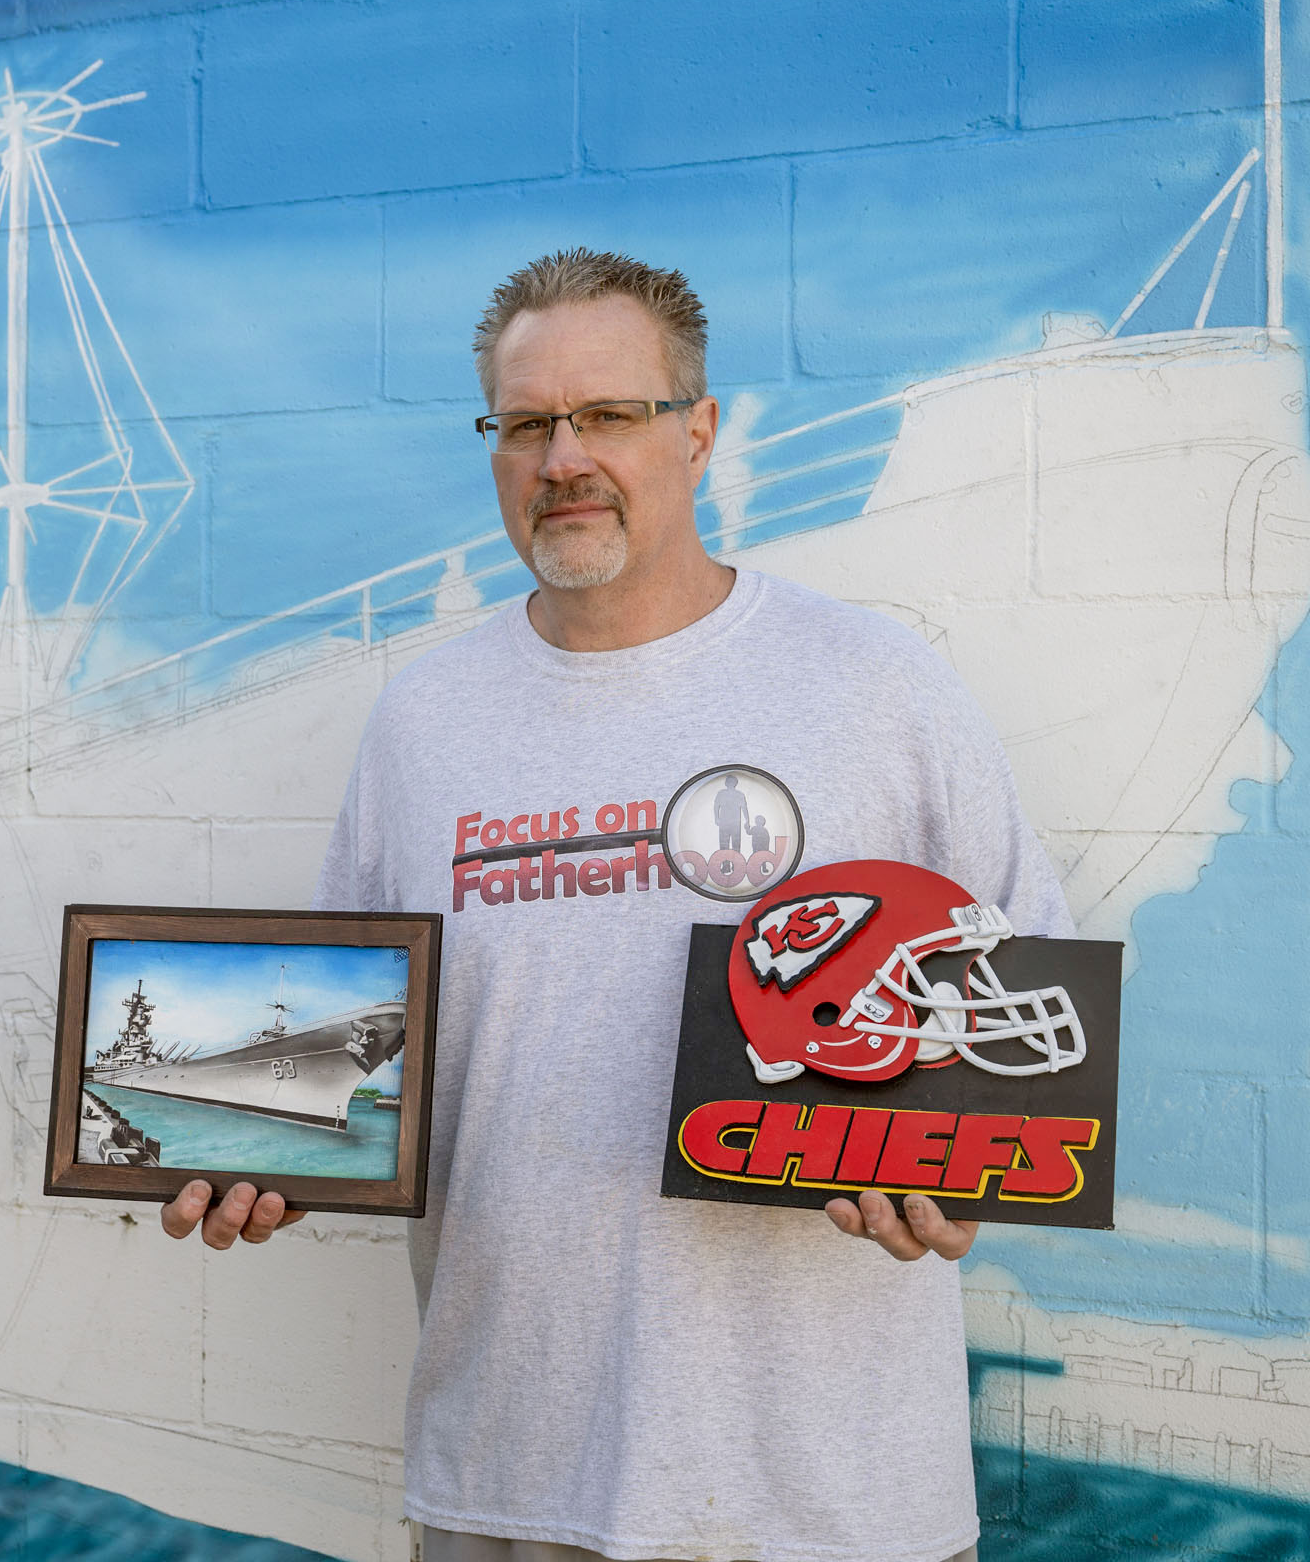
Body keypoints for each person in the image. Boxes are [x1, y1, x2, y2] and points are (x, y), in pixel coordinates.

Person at [160, 248, 1070, 1562]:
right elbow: (357, 1046)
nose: (562, 457)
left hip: (830, 1502)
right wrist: (274, 1165)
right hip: (510, 1483)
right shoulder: (424, 720)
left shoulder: (877, 683)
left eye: (608, 416)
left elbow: (1031, 983)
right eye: (527, 423)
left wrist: (973, 1172)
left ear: (697, 431)